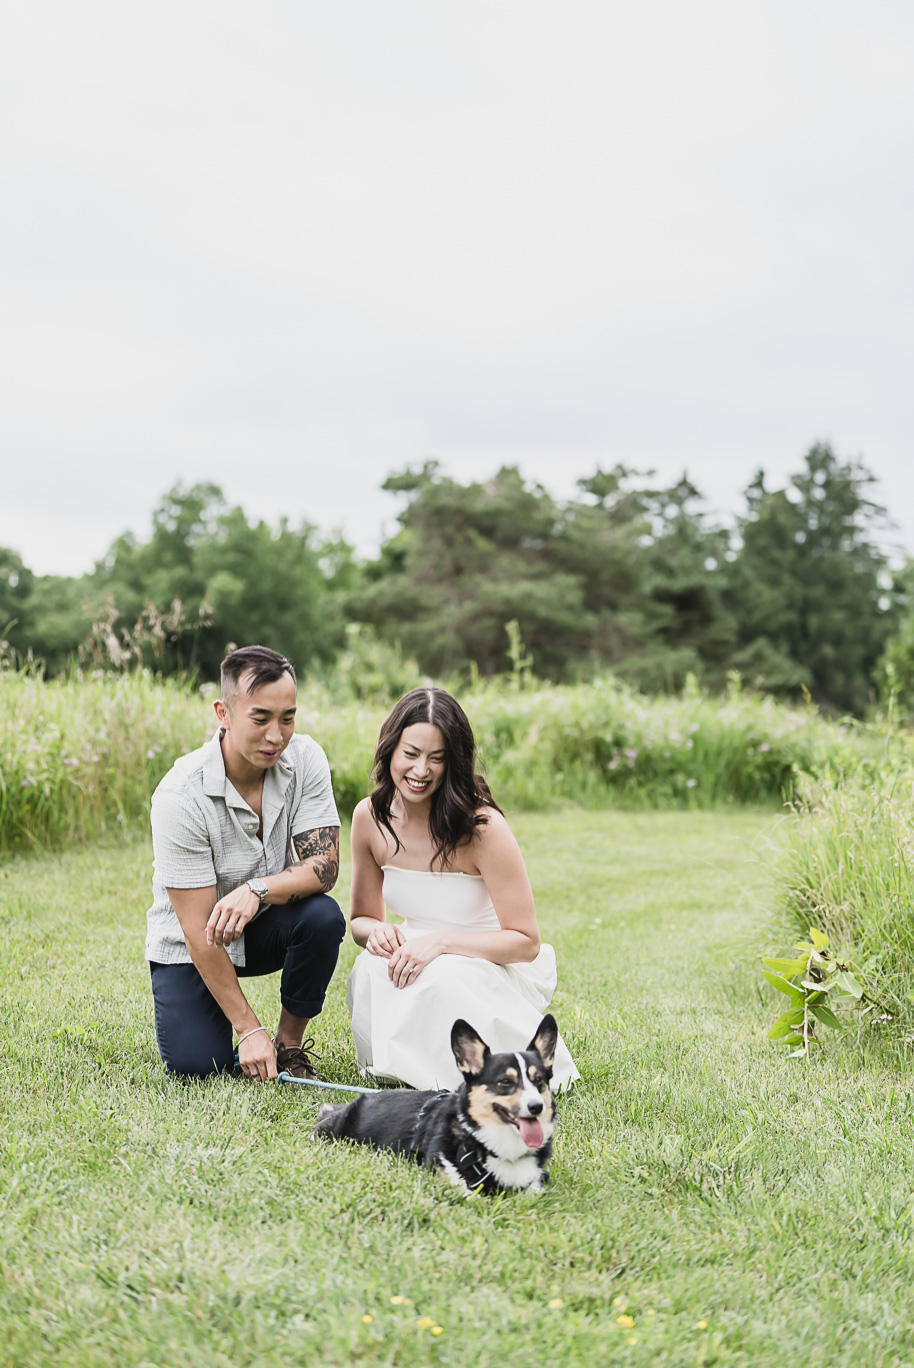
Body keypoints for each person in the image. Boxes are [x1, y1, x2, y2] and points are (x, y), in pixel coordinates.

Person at [347, 686, 579, 1091]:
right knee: (373, 965)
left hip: (486, 960)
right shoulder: (370, 817)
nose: (421, 770)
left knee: (442, 977)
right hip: (414, 950)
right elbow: (360, 922)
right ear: (390, 751)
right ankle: (406, 1066)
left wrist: (438, 944)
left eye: (437, 759)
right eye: (411, 754)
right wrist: (377, 932)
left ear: (453, 764)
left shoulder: (483, 827)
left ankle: (458, 1074)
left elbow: (525, 942)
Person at [146, 645, 345, 1081]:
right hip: (193, 941)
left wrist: (255, 890)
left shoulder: (307, 759)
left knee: (322, 917)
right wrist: (247, 1027)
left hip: (263, 922)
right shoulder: (180, 794)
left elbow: (324, 867)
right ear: (224, 712)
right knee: (200, 1067)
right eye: (261, 719)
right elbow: (199, 933)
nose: (277, 735)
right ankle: (248, 1031)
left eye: (288, 718)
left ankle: (288, 1044)